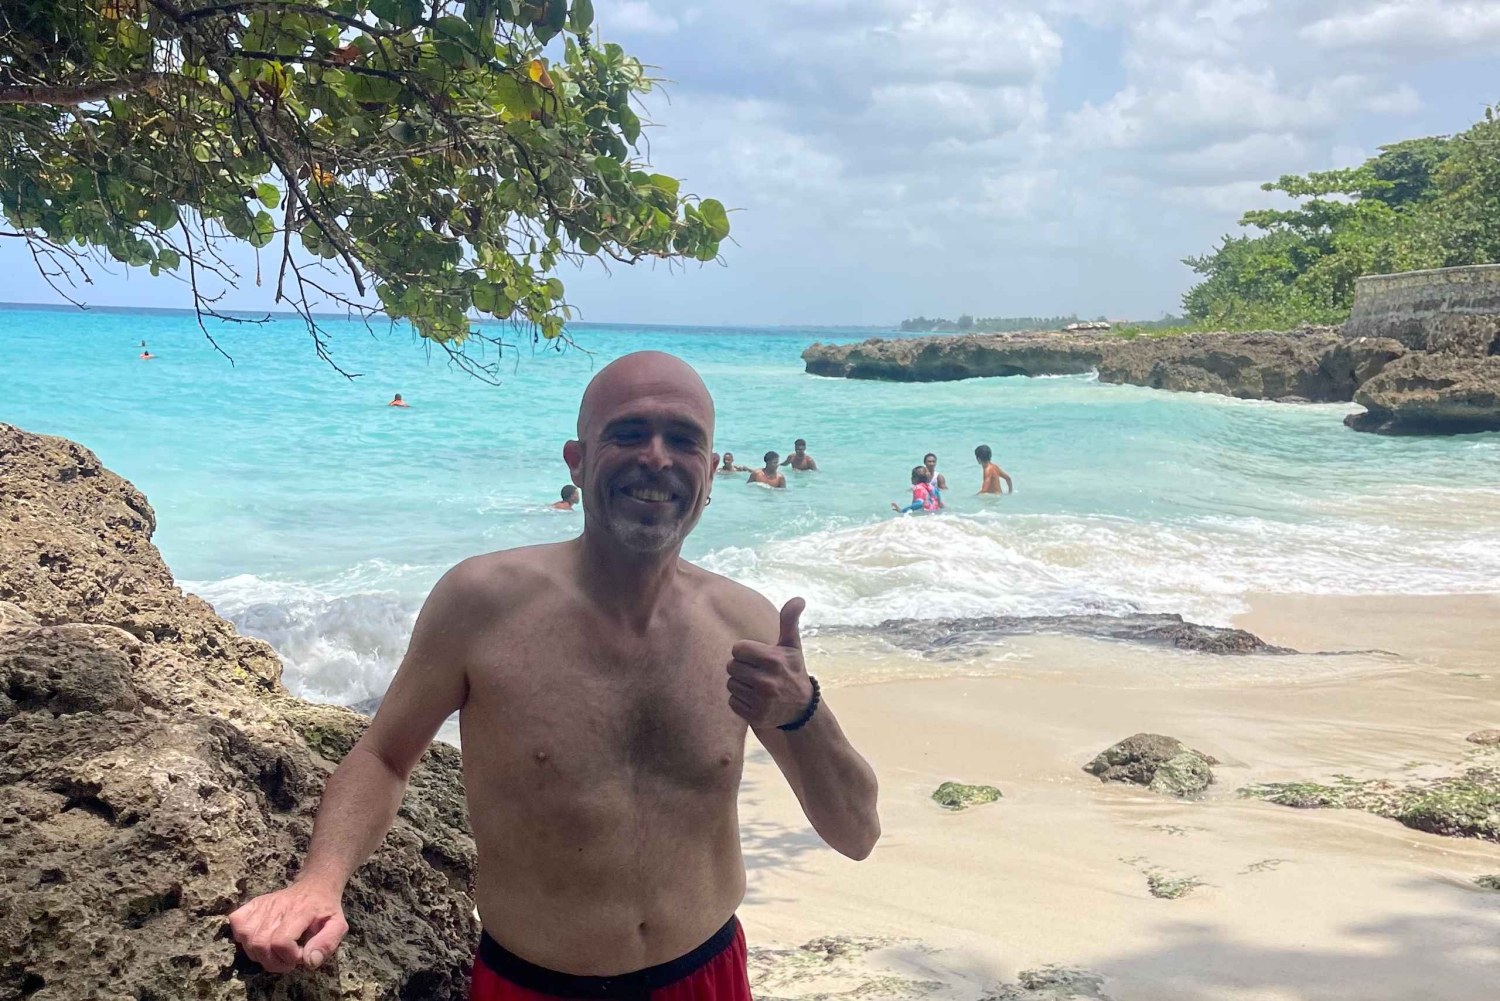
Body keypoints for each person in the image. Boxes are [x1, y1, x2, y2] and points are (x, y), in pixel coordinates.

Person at [227, 351, 879, 999]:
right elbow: (384, 756)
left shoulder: (746, 623)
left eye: (684, 440)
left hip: (706, 975)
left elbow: (856, 834)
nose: (656, 457)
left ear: (710, 473)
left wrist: (803, 711)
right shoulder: (482, 603)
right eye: (628, 432)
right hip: (532, 984)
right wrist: (320, 880)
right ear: (577, 460)